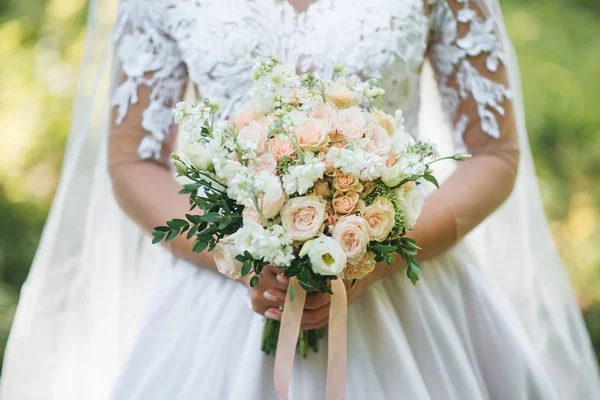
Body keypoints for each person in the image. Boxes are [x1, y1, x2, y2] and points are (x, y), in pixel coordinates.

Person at [2, 0, 599, 399]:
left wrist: (378, 254)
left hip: (404, 290)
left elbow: (494, 154)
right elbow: (133, 160)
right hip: (221, 301)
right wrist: (239, 257)